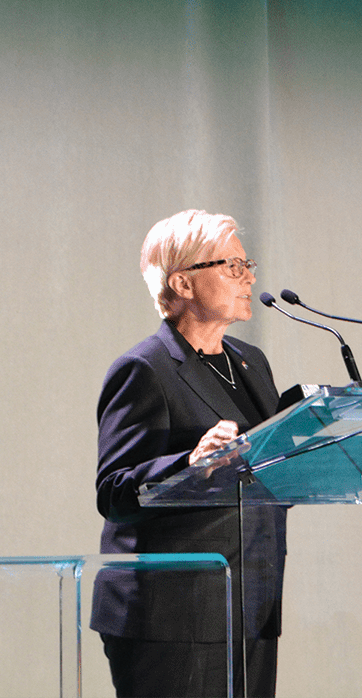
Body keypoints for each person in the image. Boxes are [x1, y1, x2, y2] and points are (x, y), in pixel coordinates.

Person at [92, 209, 286, 697]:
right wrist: (189, 462)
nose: (249, 278)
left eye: (247, 266)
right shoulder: (144, 369)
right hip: (171, 616)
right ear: (182, 282)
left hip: (250, 603)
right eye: (232, 266)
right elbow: (114, 492)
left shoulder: (250, 362)